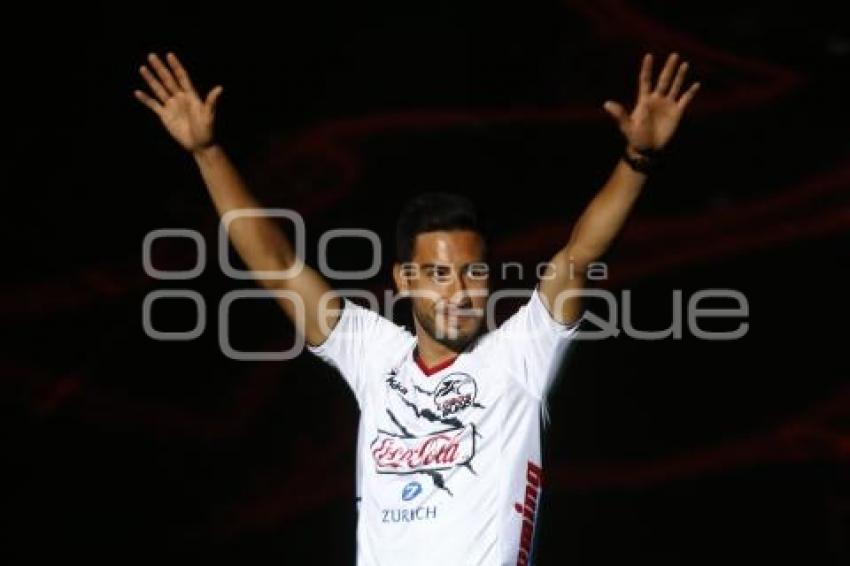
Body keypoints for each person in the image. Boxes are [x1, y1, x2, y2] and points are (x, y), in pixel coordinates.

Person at [134, 50, 699, 565]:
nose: (457, 290)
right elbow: (277, 264)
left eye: (472, 272)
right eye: (436, 274)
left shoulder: (521, 355)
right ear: (403, 280)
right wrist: (208, 152)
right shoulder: (374, 355)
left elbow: (578, 256)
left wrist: (636, 159)